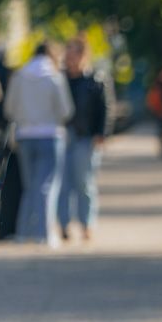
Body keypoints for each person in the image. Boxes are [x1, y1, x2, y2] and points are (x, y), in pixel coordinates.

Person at [4, 42, 74, 246]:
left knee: (29, 186)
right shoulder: (54, 77)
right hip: (50, 135)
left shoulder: (19, 76)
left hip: (24, 135)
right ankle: (44, 232)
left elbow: (9, 108)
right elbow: (66, 110)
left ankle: (25, 231)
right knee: (47, 186)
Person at [57, 37, 113, 241]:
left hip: (86, 137)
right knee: (63, 183)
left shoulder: (95, 80)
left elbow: (106, 108)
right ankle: (63, 224)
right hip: (64, 135)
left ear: (83, 56)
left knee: (84, 182)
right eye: (68, 54)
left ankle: (86, 223)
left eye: (74, 54)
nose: (70, 59)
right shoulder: (60, 79)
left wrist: (102, 133)